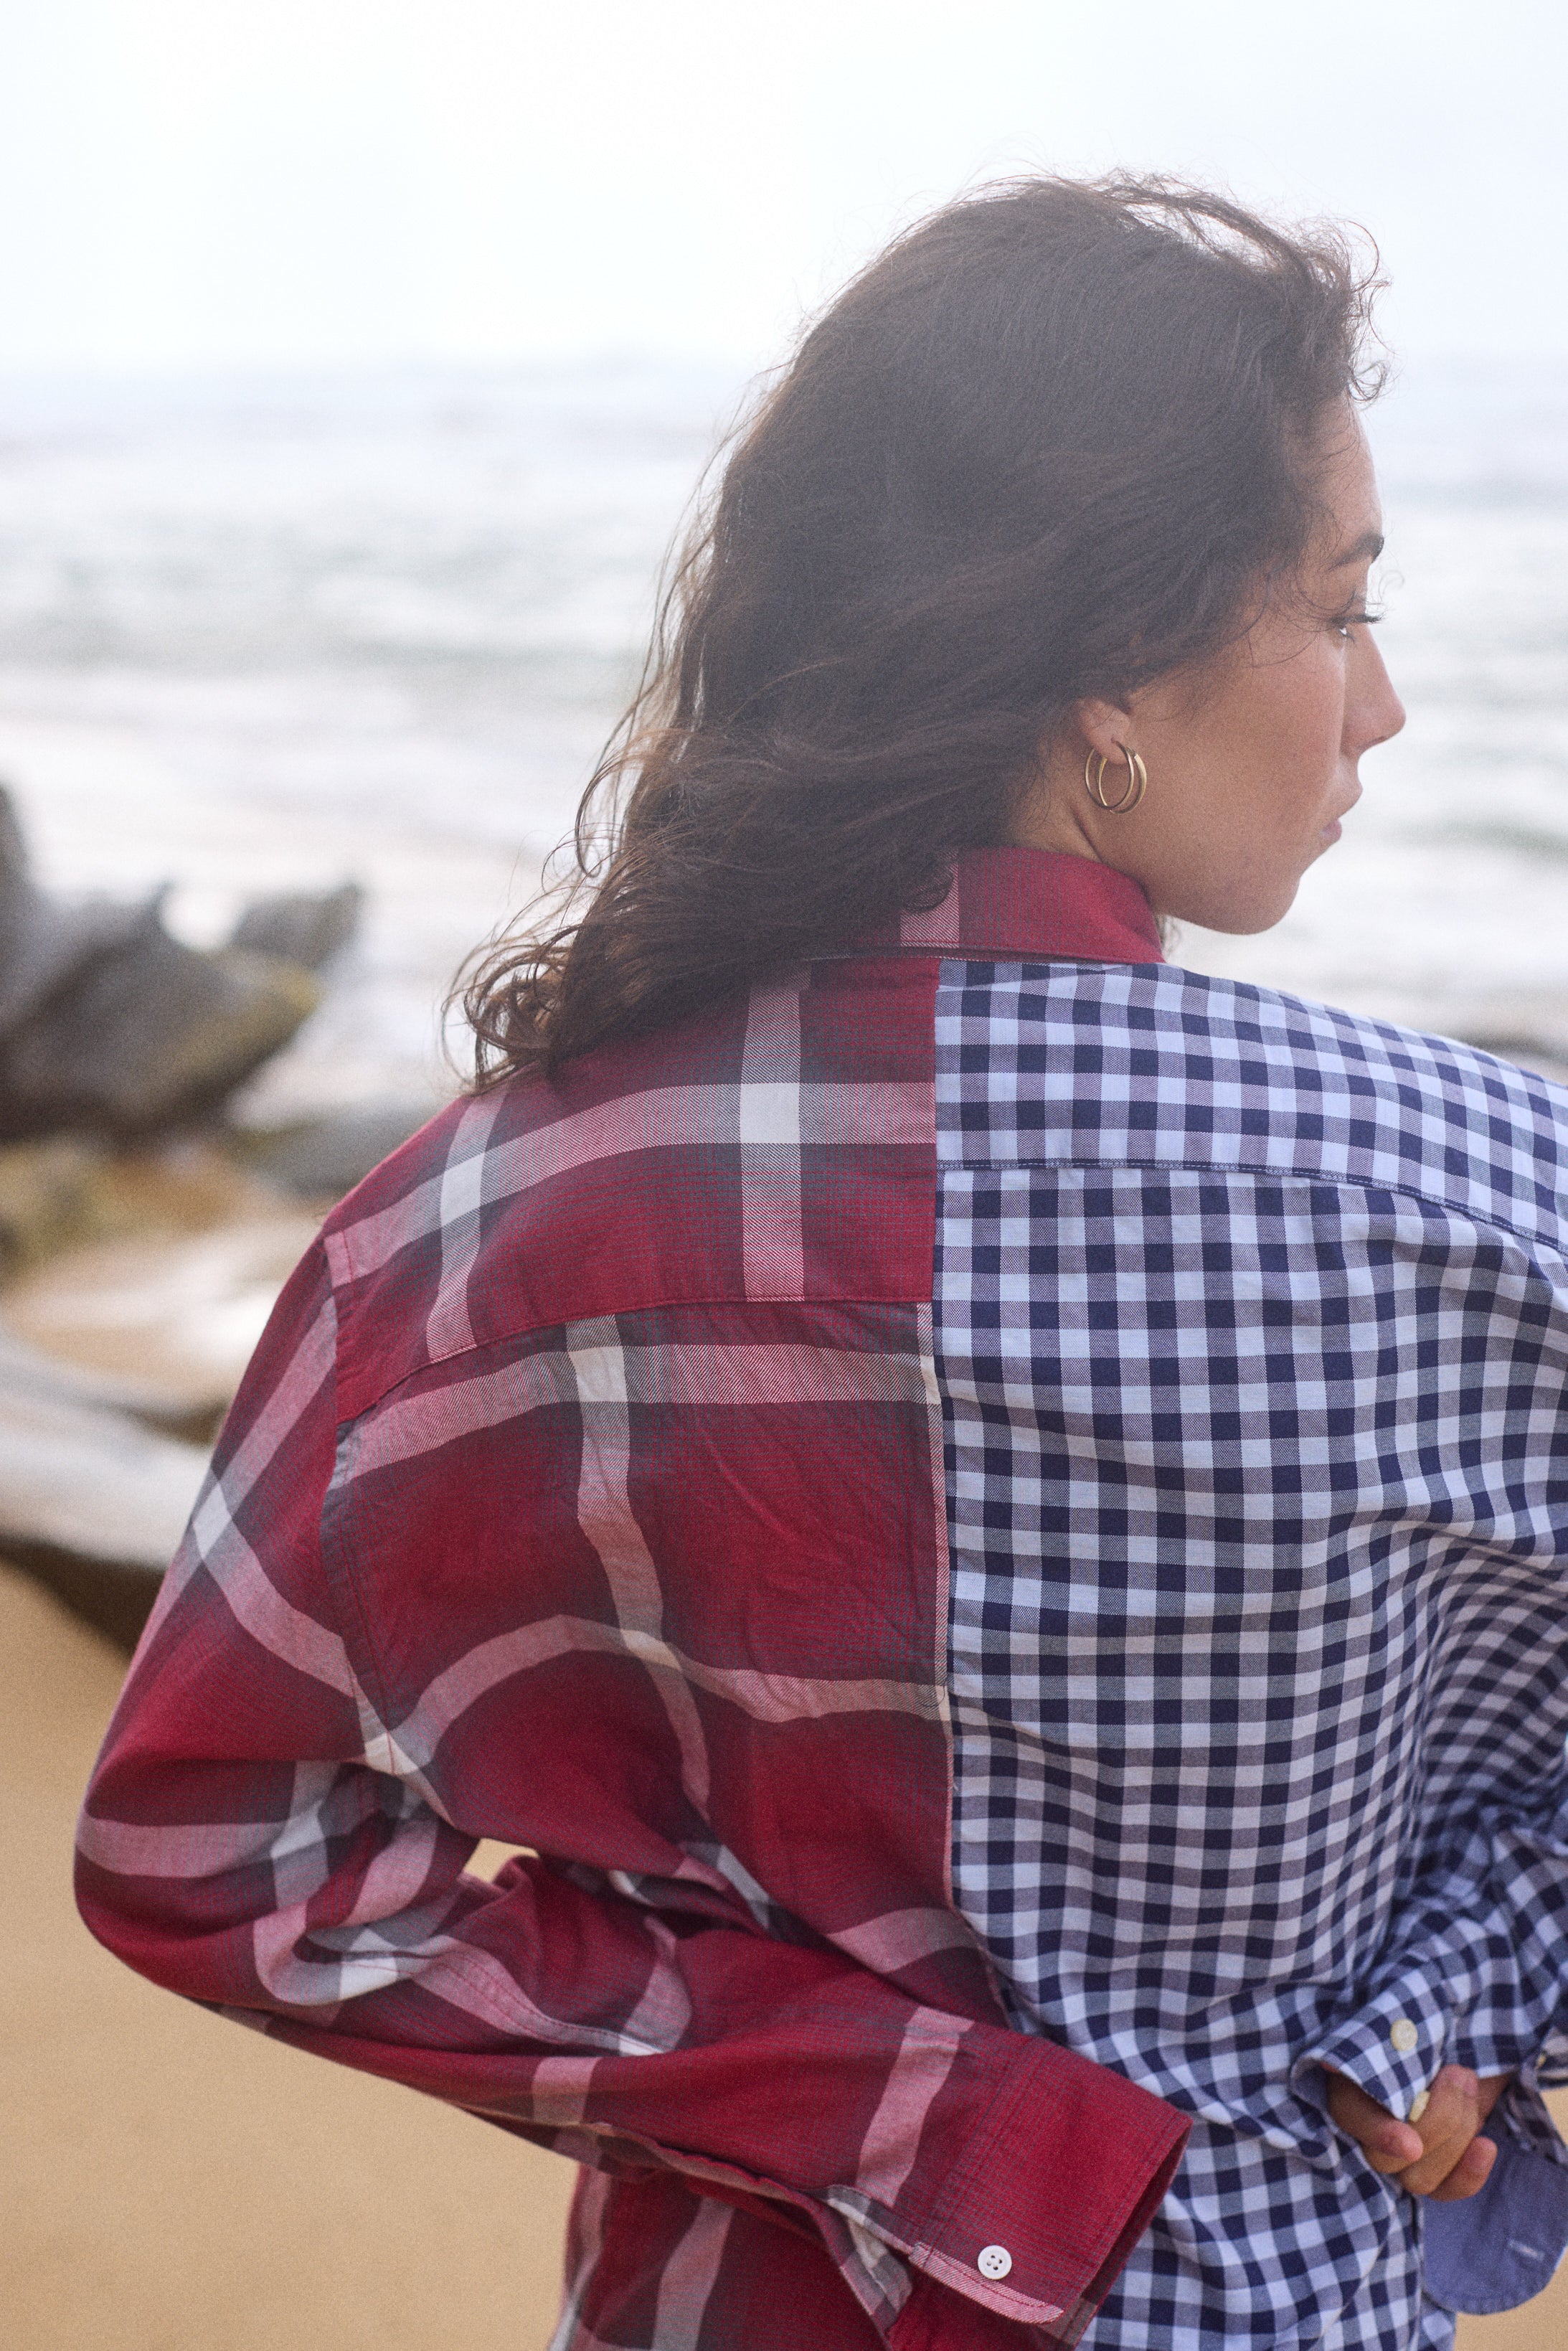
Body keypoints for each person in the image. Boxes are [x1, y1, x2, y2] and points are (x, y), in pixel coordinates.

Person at [75, 177, 1568, 2350]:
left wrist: (889, 2105)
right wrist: (1440, 2011)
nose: (1387, 704)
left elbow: (201, 1848)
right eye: (1339, 610)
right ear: (1108, 674)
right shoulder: (1481, 1202)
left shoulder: (474, 1228)